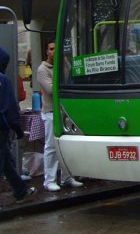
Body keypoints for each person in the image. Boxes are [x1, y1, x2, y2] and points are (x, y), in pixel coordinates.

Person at [37, 40, 83, 192]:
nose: (54, 52)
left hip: (64, 111)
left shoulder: (64, 65)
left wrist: (65, 64)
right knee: (51, 147)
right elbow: (51, 90)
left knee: (67, 145)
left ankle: (67, 177)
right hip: (51, 112)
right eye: (51, 49)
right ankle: (49, 180)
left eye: (57, 49)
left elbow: (72, 81)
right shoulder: (42, 69)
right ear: (46, 52)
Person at [0, 47, 36, 203]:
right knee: (2, 162)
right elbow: (10, 109)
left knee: (7, 162)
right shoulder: (3, 80)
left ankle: (20, 190)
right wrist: (17, 129)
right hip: (0, 128)